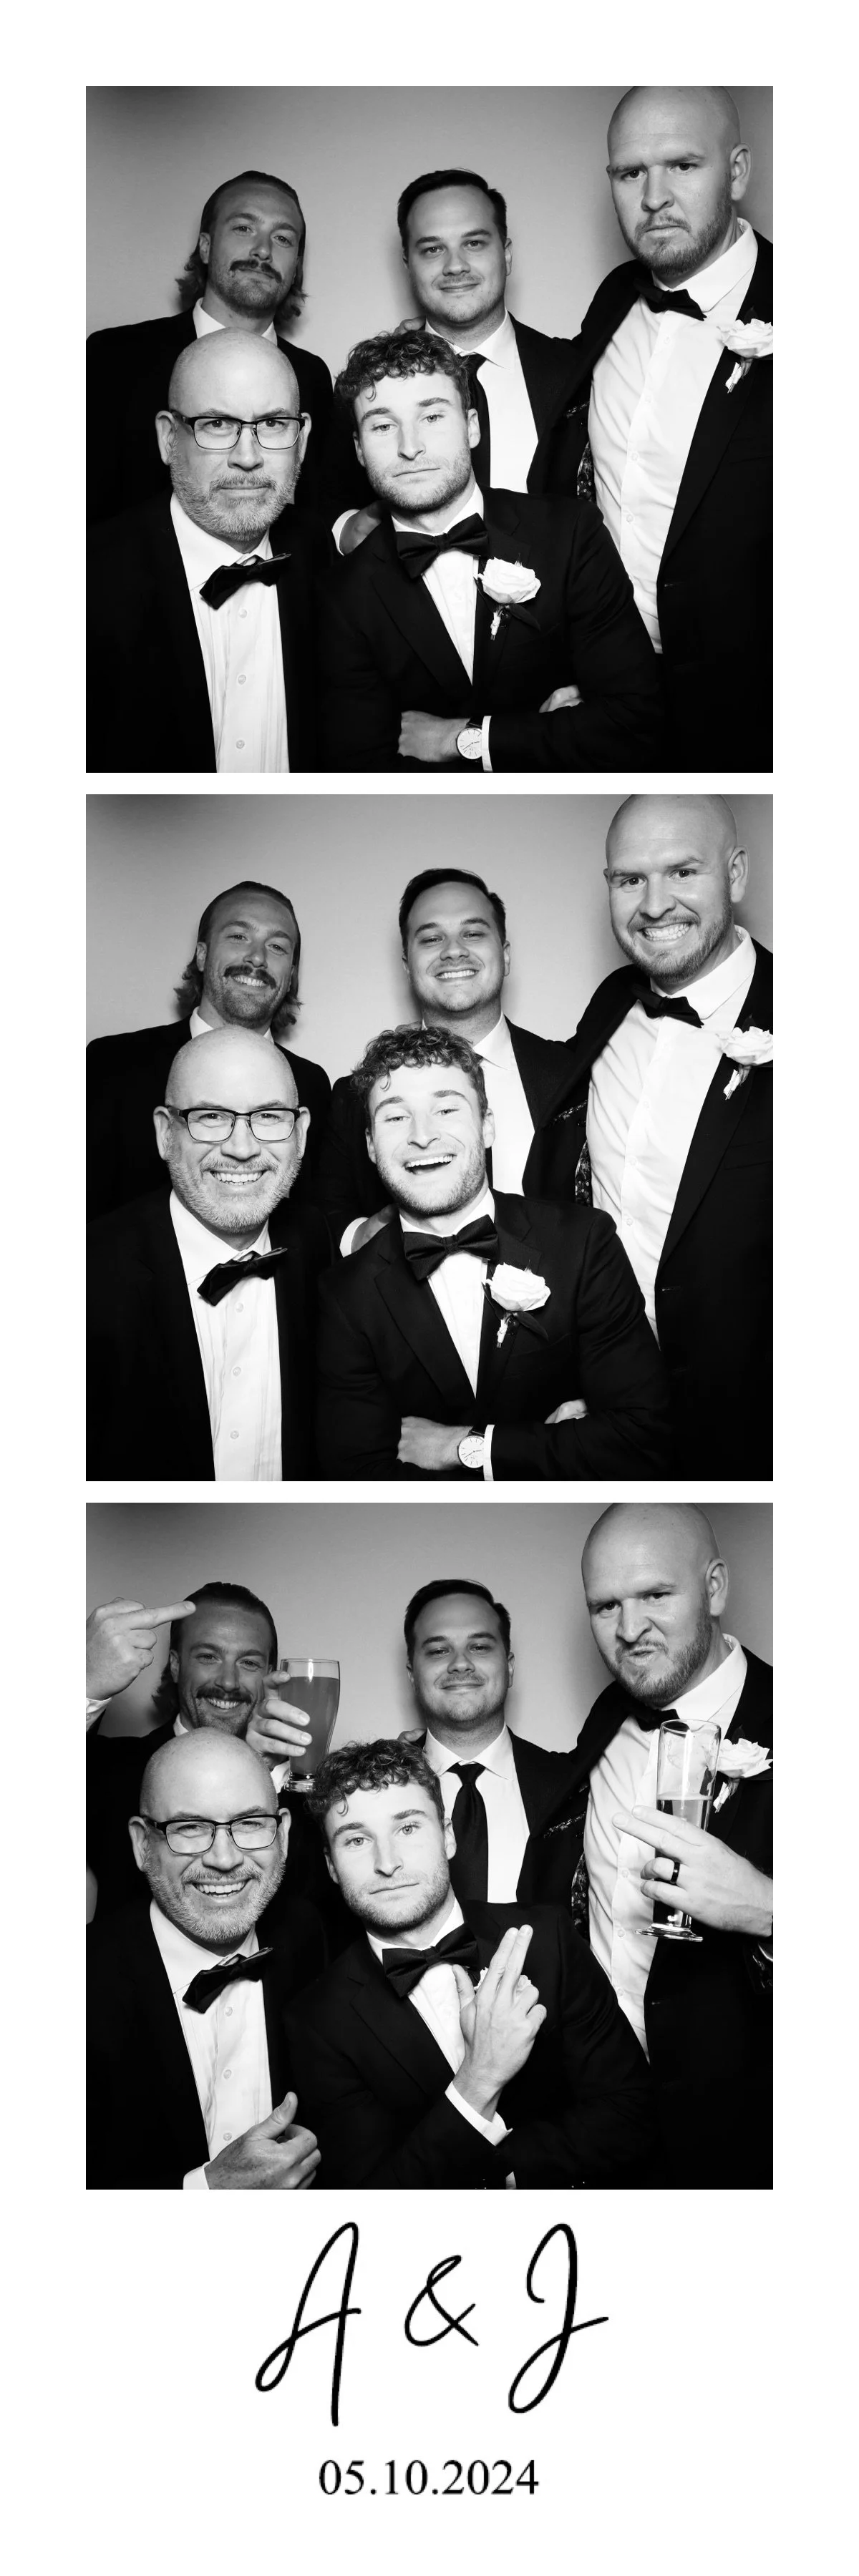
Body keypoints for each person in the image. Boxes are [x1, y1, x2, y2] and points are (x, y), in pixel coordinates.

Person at [283, 1740, 656, 2187]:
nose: (387, 1863)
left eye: (407, 1829)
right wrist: (480, 2078)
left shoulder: (547, 1939)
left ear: (449, 1834)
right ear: (330, 1865)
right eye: (358, 1840)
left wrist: (501, 2171)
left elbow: (634, 2110)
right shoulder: (315, 2021)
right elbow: (371, 2199)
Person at [528, 794, 772, 1475]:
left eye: (682, 872)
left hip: (748, 1418)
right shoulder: (610, 1001)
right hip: (600, 1404)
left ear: (737, 875)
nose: (654, 905)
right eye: (629, 879)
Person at [316, 1025, 670, 1480]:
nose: (422, 1136)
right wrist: (563, 1444)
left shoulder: (583, 1242)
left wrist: (469, 1447)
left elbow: (643, 1439)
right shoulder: (345, 1295)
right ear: (369, 1144)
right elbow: (359, 1478)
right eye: (394, 1117)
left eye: (446, 1109)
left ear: (487, 1124)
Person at [540, 88, 772, 768]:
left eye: (683, 166)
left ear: (736, 172)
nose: (653, 197)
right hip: (606, 687)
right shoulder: (614, 296)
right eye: (629, 172)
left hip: (751, 703)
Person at [318, 330, 663, 771]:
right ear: (359, 452)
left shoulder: (571, 534)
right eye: (383, 426)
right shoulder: (341, 595)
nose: (410, 447)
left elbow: (634, 725)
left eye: (433, 417)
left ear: (473, 426)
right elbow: (362, 769)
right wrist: (553, 733)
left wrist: (465, 739)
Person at [575, 1504, 772, 2187]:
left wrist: (768, 1909)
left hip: (752, 2139)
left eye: (656, 1594)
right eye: (606, 1607)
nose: (630, 1631)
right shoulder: (604, 1719)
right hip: (606, 2127)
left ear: (714, 1588)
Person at [87, 1028, 331, 1480]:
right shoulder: (88, 1276)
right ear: (165, 1133)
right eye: (212, 1116)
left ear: (301, 1132)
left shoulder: (315, 1245)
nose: (242, 1148)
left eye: (270, 1116)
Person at [87, 1729, 327, 2188]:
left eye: (252, 1823)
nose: (224, 1858)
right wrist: (206, 2192)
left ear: (284, 1834)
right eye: (190, 1827)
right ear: (142, 1844)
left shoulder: (306, 1935)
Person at [87, 330, 327, 772]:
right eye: (217, 424)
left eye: (274, 423)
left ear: (304, 440)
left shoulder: (331, 565)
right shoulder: (88, 581)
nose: (248, 456)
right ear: (168, 438)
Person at [315, 868, 573, 1250]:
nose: (453, 950)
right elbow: (322, 1218)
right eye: (432, 938)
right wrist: (362, 1237)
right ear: (407, 964)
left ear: (504, 955)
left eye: (473, 933)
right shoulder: (354, 1097)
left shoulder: (573, 1072)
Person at [322, 167, 578, 548]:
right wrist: (344, 529)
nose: (455, 265)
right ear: (408, 264)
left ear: (506, 255)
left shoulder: (576, 369)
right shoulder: (366, 384)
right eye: (432, 249)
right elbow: (317, 501)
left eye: (474, 243)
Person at [87, 167, 333, 524]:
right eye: (244, 228)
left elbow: (322, 510)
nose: (262, 250)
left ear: (296, 266)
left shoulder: (313, 376)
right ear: (205, 246)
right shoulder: (114, 357)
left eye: (283, 238)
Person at [86, 1584, 336, 1927]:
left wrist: (264, 1775)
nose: (229, 1681)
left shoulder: (308, 1793)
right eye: (208, 1656)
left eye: (248, 1662)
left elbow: (320, 1917)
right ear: (175, 1665)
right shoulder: (107, 1768)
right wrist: (84, 1683)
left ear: (270, 1675)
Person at [86, 879, 331, 1220]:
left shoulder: (314, 1084)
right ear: (202, 954)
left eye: (277, 947)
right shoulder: (112, 1064)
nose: (257, 957)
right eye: (238, 936)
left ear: (290, 976)